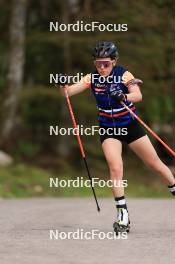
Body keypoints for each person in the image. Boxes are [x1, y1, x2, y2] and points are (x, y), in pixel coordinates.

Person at [58, 41, 175, 234]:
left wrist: (122, 95)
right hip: (108, 128)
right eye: (98, 64)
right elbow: (68, 93)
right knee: (115, 167)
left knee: (155, 164)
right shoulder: (92, 77)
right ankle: (123, 215)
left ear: (114, 61)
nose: (102, 68)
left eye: (106, 63)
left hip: (130, 125)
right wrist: (62, 84)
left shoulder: (124, 74)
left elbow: (137, 95)